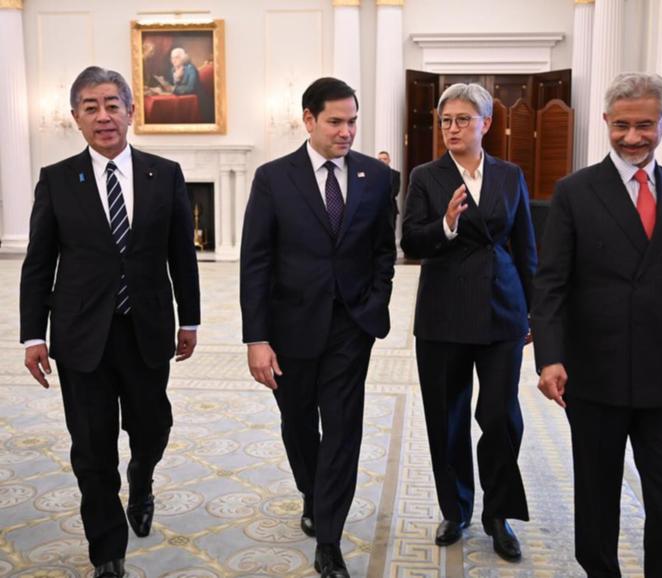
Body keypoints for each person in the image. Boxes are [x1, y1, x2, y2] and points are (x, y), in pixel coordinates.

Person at [20, 66, 201, 578]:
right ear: (75, 117)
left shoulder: (164, 174)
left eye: (112, 104)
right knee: (92, 447)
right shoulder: (56, 180)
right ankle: (108, 553)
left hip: (146, 330)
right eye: (91, 107)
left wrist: (190, 320)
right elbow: (39, 263)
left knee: (153, 428)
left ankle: (141, 478)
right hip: (81, 338)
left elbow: (180, 257)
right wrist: (34, 334)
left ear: (130, 111)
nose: (103, 116)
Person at [531, 72, 662, 577]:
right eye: (621, 125)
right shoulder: (574, 192)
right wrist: (551, 357)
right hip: (595, 372)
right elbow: (551, 282)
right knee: (597, 489)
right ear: (606, 122)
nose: (632, 137)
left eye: (645, 125)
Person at [240, 77, 395, 578]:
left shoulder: (377, 177)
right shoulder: (273, 178)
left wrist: (374, 305)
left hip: (351, 327)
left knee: (344, 427)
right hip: (290, 329)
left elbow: (382, 254)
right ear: (308, 120)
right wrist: (257, 338)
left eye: (352, 121)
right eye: (335, 121)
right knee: (299, 422)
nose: (346, 131)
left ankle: (328, 538)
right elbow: (256, 262)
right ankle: (312, 491)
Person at [401, 83, 536, 562]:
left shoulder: (510, 174)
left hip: (502, 310)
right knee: (447, 417)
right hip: (442, 315)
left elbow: (526, 248)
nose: (452, 129)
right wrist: (446, 225)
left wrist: (533, 310)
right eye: (445, 121)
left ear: (486, 123)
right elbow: (410, 241)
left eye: (462, 119)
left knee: (500, 418)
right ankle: (455, 508)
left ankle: (497, 515)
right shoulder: (425, 175)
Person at [377, 150, 401, 222]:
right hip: (376, 209)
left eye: (384, 159)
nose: (382, 161)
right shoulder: (372, 174)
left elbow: (395, 191)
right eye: (380, 159)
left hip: (390, 208)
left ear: (389, 160)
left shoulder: (395, 174)